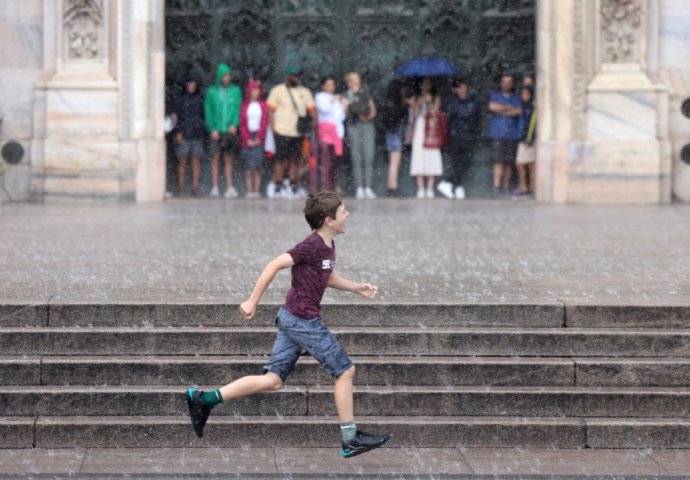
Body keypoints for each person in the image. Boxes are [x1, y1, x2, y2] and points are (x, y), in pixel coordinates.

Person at [186, 191, 390, 458]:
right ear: (329, 220)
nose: (348, 214)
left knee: (273, 381)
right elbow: (274, 264)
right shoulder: (311, 245)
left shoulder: (326, 247)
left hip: (292, 317)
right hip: (303, 320)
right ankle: (350, 438)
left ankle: (205, 399)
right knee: (345, 370)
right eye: (343, 211)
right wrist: (252, 301)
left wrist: (356, 288)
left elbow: (324, 275)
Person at [266, 66, 315, 199]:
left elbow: (311, 111)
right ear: (287, 76)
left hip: (297, 132)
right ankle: (277, 184)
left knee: (295, 160)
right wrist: (272, 128)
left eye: (297, 75)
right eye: (293, 75)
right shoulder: (277, 91)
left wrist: (311, 125)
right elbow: (270, 111)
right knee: (280, 160)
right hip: (281, 131)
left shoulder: (305, 92)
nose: (296, 78)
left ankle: (293, 185)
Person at [437, 78, 481, 200]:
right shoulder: (453, 104)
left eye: (462, 86)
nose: (461, 89)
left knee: (466, 163)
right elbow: (448, 121)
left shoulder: (473, 102)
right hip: (456, 138)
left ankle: (451, 184)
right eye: (458, 87)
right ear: (455, 90)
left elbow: (477, 118)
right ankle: (454, 186)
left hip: (468, 137)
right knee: (457, 164)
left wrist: (474, 133)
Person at [204, 63, 243, 198]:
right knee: (215, 158)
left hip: (229, 130)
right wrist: (212, 128)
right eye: (224, 75)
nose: (227, 78)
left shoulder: (235, 91)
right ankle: (214, 187)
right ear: (220, 76)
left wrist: (235, 124)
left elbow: (238, 109)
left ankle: (229, 187)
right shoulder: (211, 92)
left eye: (228, 75)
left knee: (228, 159)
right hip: (216, 130)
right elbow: (208, 111)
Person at [171, 73, 205, 198]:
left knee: (196, 161)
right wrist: (177, 132)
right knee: (182, 162)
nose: (192, 86)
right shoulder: (179, 99)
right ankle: (181, 189)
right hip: (183, 133)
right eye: (190, 83)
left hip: (197, 134)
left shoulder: (199, 98)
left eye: (194, 84)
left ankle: (195, 188)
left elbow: (202, 116)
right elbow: (175, 118)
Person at [487, 74, 522, 196]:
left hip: (512, 134)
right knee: (498, 162)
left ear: (512, 84)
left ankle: (505, 187)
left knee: (508, 163)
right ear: (501, 83)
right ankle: (496, 188)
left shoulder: (517, 97)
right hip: (498, 133)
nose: (506, 84)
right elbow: (492, 106)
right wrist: (508, 109)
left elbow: (519, 111)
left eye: (509, 82)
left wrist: (502, 109)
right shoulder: (495, 95)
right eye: (504, 82)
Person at [344, 72, 377, 199]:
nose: (356, 83)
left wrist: (367, 117)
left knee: (368, 156)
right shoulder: (346, 94)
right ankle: (359, 187)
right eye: (353, 81)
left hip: (367, 125)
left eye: (357, 80)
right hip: (353, 126)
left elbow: (373, 109)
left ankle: (368, 187)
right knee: (356, 156)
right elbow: (345, 111)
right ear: (349, 83)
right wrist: (351, 94)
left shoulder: (365, 93)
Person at [409, 77, 443, 198]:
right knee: (419, 156)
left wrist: (430, 103)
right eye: (424, 84)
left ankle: (430, 187)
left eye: (428, 84)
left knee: (432, 155)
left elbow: (435, 112)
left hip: (431, 128)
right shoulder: (416, 98)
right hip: (419, 128)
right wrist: (419, 103)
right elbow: (414, 115)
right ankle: (421, 188)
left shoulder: (436, 98)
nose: (426, 86)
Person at [314, 76, 346, 192]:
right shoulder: (320, 97)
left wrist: (343, 105)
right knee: (325, 160)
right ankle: (325, 187)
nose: (331, 87)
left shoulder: (336, 99)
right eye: (328, 84)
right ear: (323, 86)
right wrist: (333, 100)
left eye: (332, 84)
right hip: (326, 131)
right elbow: (325, 109)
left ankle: (333, 186)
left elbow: (341, 116)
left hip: (337, 132)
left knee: (334, 162)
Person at [379, 79, 410, 197]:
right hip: (394, 135)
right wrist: (406, 105)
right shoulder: (395, 105)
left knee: (394, 162)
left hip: (393, 134)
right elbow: (397, 119)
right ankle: (392, 187)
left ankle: (393, 186)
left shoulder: (390, 102)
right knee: (394, 162)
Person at [239, 80, 269, 198]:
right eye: (253, 90)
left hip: (258, 136)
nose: (255, 92)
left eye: (257, 90)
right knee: (248, 165)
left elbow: (264, 122)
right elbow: (242, 124)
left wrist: (259, 138)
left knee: (258, 165)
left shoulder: (262, 105)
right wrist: (247, 138)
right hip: (247, 137)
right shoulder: (245, 105)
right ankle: (249, 190)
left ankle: (256, 190)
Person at [513, 85, 537, 197]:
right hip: (524, 138)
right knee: (527, 165)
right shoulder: (525, 107)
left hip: (527, 140)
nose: (524, 96)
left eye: (526, 94)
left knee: (524, 164)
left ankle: (526, 187)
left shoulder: (531, 108)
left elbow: (531, 124)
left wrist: (529, 139)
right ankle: (528, 187)